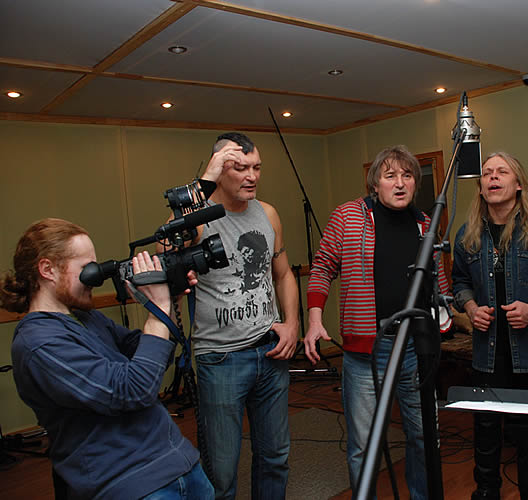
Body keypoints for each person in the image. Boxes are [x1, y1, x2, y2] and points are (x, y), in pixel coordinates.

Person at [0, 218, 213, 499]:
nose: (96, 277)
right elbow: (134, 389)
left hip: (177, 463)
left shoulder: (84, 317)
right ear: (47, 269)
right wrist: (158, 308)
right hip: (132, 482)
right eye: (87, 268)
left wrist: (170, 297)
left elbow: (150, 357)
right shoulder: (39, 344)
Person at [304, 145, 452, 499]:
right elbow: (322, 268)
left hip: (415, 350)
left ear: (415, 183)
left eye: (407, 176)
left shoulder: (425, 224)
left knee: (424, 437)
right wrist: (314, 318)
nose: (400, 183)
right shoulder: (348, 216)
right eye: (390, 176)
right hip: (366, 354)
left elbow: (439, 284)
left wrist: (448, 317)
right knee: (364, 446)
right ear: (375, 184)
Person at [452, 152, 528, 500]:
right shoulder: (466, 235)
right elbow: (459, 282)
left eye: (501, 172)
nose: (492, 177)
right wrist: (471, 308)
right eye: (487, 173)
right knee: (486, 430)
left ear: (518, 184)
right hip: (488, 354)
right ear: (480, 187)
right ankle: (486, 492)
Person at [182, 132, 299, 499]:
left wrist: (292, 324)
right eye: (240, 168)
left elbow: (283, 274)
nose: (252, 176)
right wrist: (206, 178)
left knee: (275, 458)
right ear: (219, 170)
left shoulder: (267, 214)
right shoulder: (199, 218)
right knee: (221, 470)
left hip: (270, 351)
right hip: (221, 359)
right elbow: (170, 241)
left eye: (257, 168)